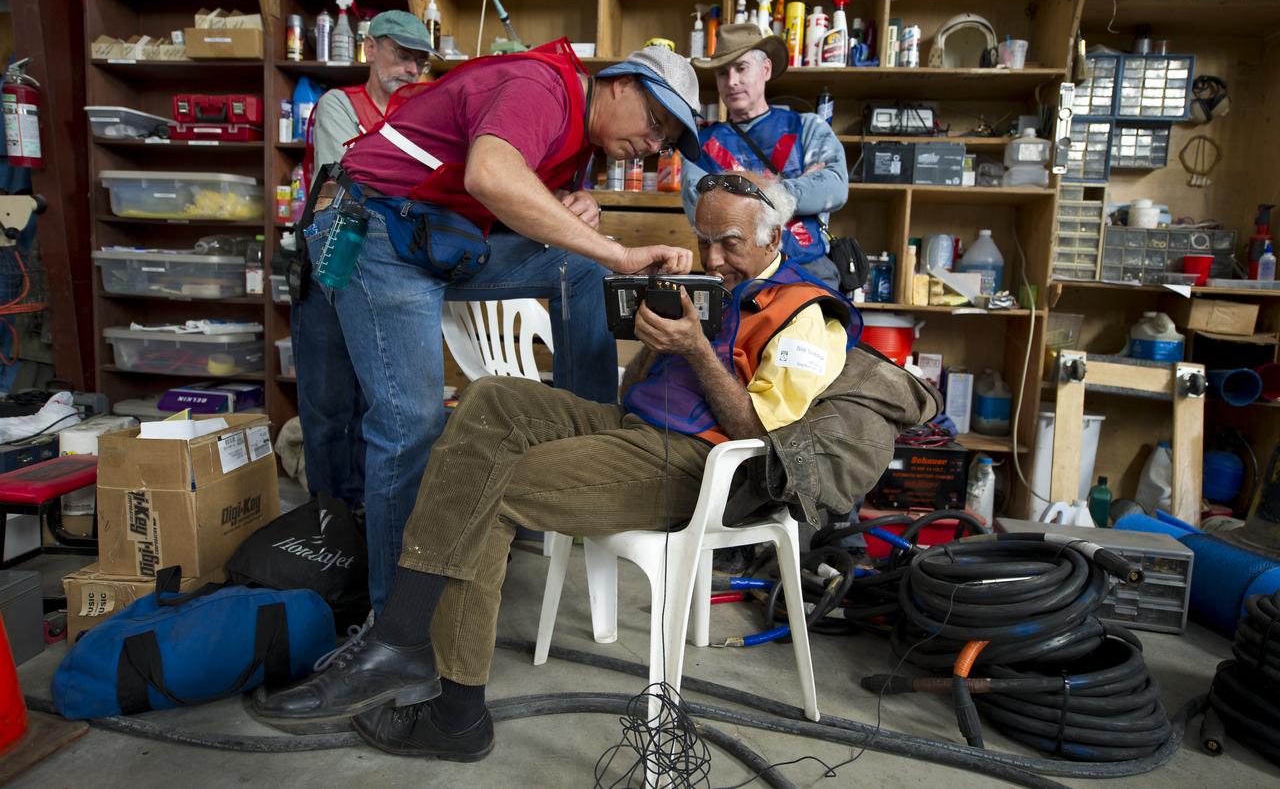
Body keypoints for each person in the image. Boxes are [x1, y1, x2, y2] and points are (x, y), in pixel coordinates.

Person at [255, 173, 939, 763]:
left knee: (487, 491)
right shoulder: (710, 282)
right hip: (634, 427)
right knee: (493, 401)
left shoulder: (807, 316)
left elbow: (761, 433)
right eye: (705, 238)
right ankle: (404, 640)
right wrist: (653, 326)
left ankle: (449, 704)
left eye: (729, 243)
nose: (713, 255)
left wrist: (697, 347)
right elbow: (647, 384)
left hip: (702, 465)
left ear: (774, 240)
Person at [301, 42, 702, 614]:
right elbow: (491, 175)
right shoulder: (540, 87)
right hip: (377, 231)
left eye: (666, 140)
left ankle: (584, 445)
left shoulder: (580, 137)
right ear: (617, 83)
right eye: (656, 121)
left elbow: (516, 191)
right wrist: (614, 251)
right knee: (410, 424)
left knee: (579, 265)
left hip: (438, 237)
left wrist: (571, 208)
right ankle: (395, 629)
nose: (654, 142)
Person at [292, 10, 436, 514]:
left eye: (419, 61)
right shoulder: (338, 105)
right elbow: (349, 181)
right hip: (332, 265)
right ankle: (330, 517)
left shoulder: (421, 116)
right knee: (328, 404)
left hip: (389, 269)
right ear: (370, 49)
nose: (411, 70)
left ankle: (371, 517)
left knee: (383, 405)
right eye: (401, 55)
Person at [682, 23, 848, 290]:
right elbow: (700, 208)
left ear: (766, 69)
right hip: (737, 275)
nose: (732, 81)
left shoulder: (808, 127)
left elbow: (834, 188)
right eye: (723, 73)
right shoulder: (700, 143)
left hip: (807, 268)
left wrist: (736, 196)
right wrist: (795, 190)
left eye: (741, 68)